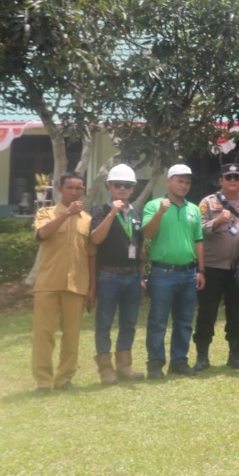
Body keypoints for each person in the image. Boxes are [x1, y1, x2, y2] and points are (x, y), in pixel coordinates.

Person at [142, 164, 205, 379]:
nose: (184, 185)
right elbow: (148, 234)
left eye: (187, 182)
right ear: (168, 181)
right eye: (179, 181)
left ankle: (179, 361)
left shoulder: (194, 209)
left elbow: (198, 241)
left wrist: (201, 270)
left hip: (188, 273)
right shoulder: (153, 205)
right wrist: (161, 212)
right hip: (162, 273)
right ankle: (155, 364)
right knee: (158, 320)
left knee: (184, 321)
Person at [32, 172, 93, 393]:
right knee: (43, 334)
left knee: (72, 335)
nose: (75, 192)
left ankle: (64, 379)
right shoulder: (45, 213)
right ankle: (43, 382)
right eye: (70, 188)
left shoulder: (87, 219)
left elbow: (90, 255)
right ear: (60, 189)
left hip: (76, 284)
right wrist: (66, 214)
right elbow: (43, 234)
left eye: (79, 188)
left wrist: (92, 288)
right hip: (48, 283)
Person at [195, 163, 239, 371]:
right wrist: (216, 221)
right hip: (213, 267)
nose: (233, 181)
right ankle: (202, 356)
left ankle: (235, 355)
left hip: (237, 268)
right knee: (207, 312)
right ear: (221, 180)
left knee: (236, 313)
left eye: (236, 177)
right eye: (228, 177)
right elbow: (198, 231)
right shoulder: (208, 202)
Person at [88, 164, 144, 384]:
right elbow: (95, 239)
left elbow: (139, 247)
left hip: (132, 276)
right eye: (117, 185)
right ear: (109, 187)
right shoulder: (99, 212)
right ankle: (106, 370)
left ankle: (124, 366)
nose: (122, 189)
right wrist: (112, 213)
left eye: (127, 186)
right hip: (108, 276)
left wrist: (142, 276)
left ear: (132, 189)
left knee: (129, 323)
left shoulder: (136, 213)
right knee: (104, 322)